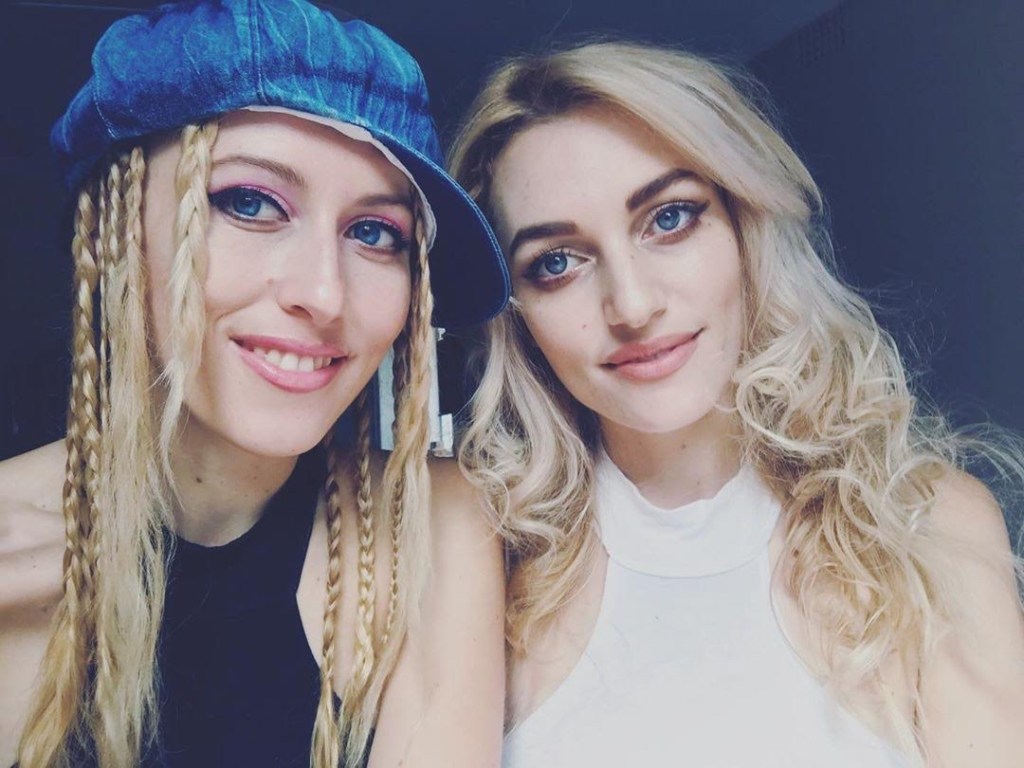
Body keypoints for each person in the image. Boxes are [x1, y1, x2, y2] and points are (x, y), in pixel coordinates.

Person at [450, 41, 1024, 767]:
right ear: (518, 314)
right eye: (556, 263)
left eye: (669, 219)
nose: (633, 305)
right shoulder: (476, 560)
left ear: (745, 227)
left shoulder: (931, 525)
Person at [0, 1, 509, 766]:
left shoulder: (427, 530)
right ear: (115, 232)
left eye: (375, 233)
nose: (324, 294)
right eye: (249, 203)